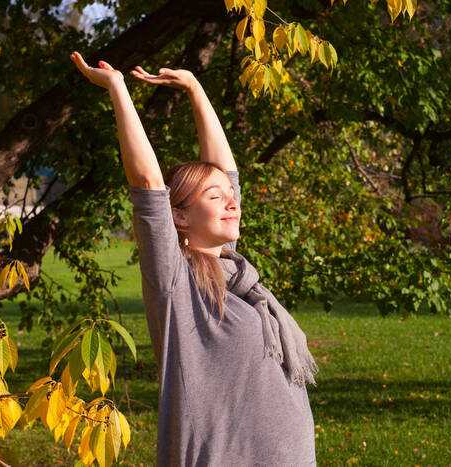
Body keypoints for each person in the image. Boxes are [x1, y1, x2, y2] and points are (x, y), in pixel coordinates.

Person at [69, 51, 318, 466]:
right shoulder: (176, 281)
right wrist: (117, 89)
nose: (232, 204)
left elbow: (226, 171)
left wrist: (194, 89)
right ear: (179, 216)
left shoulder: (237, 275)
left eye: (231, 197)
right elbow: (148, 182)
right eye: (215, 198)